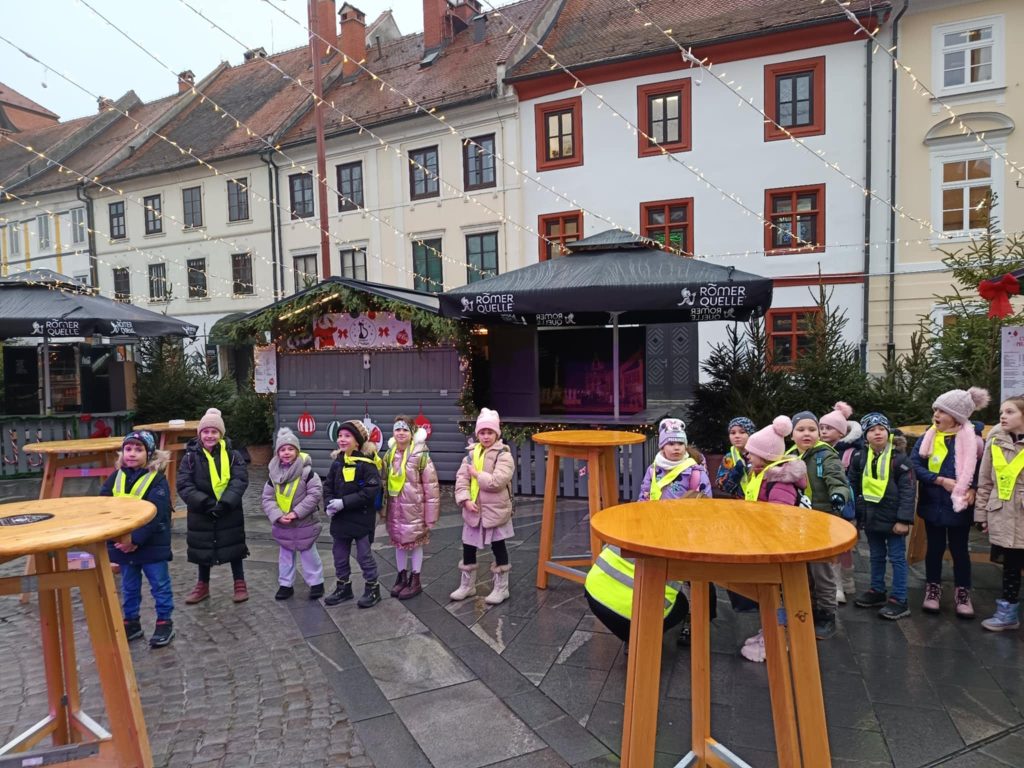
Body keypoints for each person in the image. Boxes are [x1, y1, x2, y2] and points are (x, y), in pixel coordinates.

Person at [909, 387, 989, 618]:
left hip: (959, 506)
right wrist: (939, 480)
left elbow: (982, 469)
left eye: (942, 411)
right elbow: (915, 465)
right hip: (933, 503)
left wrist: (973, 488)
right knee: (934, 548)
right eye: (935, 409)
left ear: (957, 416)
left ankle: (962, 591)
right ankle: (932, 587)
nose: (936, 414)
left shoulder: (973, 441)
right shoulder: (928, 437)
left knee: (959, 550)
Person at [738, 415, 808, 663]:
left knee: (776, 594)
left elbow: (780, 519)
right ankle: (768, 631)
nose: (747, 455)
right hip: (763, 542)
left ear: (765, 455)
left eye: (752, 452)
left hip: (777, 547)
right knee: (769, 593)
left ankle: (777, 639)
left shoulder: (779, 483)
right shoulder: (763, 475)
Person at [101, 431, 175, 648]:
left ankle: (164, 622)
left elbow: (157, 514)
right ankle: (131, 622)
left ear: (149, 454)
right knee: (129, 587)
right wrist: (117, 540)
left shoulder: (157, 480)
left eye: (138, 449)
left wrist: (135, 540)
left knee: (159, 585)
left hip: (151, 545)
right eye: (128, 449)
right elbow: (103, 507)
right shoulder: (115, 478)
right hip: (123, 546)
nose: (132, 453)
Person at [790, 410, 852, 640]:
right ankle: (807, 609)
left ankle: (827, 614)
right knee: (802, 570)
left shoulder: (826, 456)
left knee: (822, 571)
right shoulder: (788, 456)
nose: (806, 434)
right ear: (792, 434)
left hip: (820, 520)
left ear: (818, 433)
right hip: (796, 522)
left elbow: (838, 480)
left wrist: (838, 495)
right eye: (800, 429)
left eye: (812, 429)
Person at [178, 408, 250, 605]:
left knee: (234, 546)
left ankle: (239, 582)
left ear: (221, 434)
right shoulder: (190, 457)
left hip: (229, 510)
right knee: (203, 547)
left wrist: (226, 502)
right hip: (202, 511)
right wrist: (205, 503)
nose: (210, 436)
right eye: (206, 431)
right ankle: (202, 584)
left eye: (214, 432)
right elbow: (184, 484)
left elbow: (239, 480)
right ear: (199, 434)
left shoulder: (233, 455)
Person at [849, 413, 915, 620]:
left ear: (888, 432)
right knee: (875, 555)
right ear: (865, 435)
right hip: (870, 516)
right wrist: (855, 515)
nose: (877, 433)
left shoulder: (900, 459)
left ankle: (900, 599)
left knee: (897, 558)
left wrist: (903, 520)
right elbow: (852, 486)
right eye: (871, 430)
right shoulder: (859, 458)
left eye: (881, 429)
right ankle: (877, 590)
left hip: (894, 519)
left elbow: (908, 491)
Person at [451, 408, 515, 605]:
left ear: (497, 434)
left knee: (498, 546)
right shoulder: (471, 455)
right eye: (482, 432)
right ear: (477, 434)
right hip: (474, 510)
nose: (486, 436)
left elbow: (497, 482)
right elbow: (461, 479)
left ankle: (502, 587)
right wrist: (465, 500)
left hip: (495, 511)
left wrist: (478, 475)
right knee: (468, 546)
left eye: (490, 432)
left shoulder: (503, 455)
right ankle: (467, 585)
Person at [976, 396, 1024, 632]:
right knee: (1011, 566)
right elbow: (985, 480)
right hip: (1003, 511)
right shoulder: (995, 440)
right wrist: (981, 514)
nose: (1003, 416)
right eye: (1001, 412)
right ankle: (1008, 612)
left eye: (1010, 412)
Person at [323, 419, 383, 608]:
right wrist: (328, 504)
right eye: (340, 435)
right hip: (341, 519)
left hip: (361, 518)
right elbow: (328, 486)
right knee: (339, 555)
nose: (342, 439)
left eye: (347, 436)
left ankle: (372, 588)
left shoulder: (367, 464)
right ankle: (343, 587)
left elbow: (371, 491)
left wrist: (344, 502)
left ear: (358, 441)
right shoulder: (337, 462)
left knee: (364, 555)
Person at [261, 427, 325, 601]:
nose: (287, 452)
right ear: (277, 453)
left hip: (305, 522)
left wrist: (297, 513)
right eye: (282, 449)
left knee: (309, 554)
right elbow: (268, 498)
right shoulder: (274, 475)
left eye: (290, 449)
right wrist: (277, 515)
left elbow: (315, 494)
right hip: (283, 523)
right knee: (285, 556)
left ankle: (316, 583)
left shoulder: (307, 472)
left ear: (297, 451)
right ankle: (285, 585)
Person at [384, 416, 440, 600]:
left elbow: (431, 487)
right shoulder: (390, 454)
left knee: (415, 543)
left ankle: (415, 579)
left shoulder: (421, 455)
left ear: (412, 433)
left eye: (405, 429)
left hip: (415, 510)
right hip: (395, 508)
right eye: (397, 429)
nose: (401, 433)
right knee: (399, 543)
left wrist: (431, 515)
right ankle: (401, 576)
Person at [818, 402, 860, 604]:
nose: (824, 431)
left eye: (829, 428)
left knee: (845, 546)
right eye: (822, 427)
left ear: (841, 432)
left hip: (846, 504)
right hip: (827, 504)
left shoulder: (851, 452)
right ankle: (836, 584)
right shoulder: (818, 450)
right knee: (832, 544)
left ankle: (847, 579)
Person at [639, 418, 710, 500]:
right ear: (662, 448)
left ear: (685, 446)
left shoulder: (695, 471)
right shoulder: (653, 469)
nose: (676, 448)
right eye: (671, 444)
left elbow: (706, 502)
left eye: (680, 443)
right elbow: (644, 496)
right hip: (655, 508)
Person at [715, 416, 755, 498]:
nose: (737, 436)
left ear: (751, 434)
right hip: (738, 502)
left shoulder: (760, 454)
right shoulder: (729, 458)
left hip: (760, 502)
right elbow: (722, 486)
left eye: (742, 432)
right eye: (733, 433)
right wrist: (735, 473)